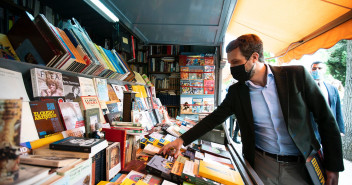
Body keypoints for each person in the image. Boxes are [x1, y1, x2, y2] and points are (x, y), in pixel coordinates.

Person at [160, 34, 344, 185]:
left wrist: (333, 167)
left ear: (254, 57)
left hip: (302, 165)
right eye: (230, 62)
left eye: (236, 62)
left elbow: (326, 120)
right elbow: (214, 119)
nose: (232, 68)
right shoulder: (237, 91)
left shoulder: (296, 76)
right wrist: (181, 140)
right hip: (262, 164)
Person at [310, 61, 345, 142]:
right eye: (314, 68)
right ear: (311, 70)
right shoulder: (305, 88)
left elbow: (337, 109)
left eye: (320, 68)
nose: (317, 70)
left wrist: (340, 130)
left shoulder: (332, 88)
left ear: (324, 70)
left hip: (330, 128)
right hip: (312, 129)